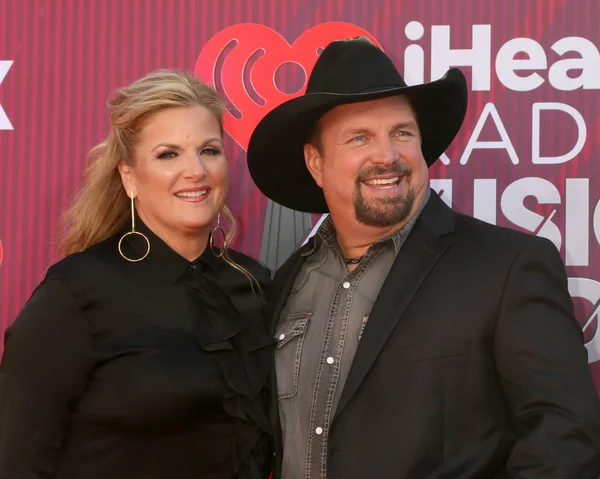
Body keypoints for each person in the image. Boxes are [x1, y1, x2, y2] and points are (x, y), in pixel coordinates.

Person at [246, 37, 600, 479]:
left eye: (402, 133)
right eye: (360, 137)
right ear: (315, 163)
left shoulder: (507, 267)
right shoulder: (287, 283)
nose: (387, 156)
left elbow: (565, 439)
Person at [0, 70, 273, 479]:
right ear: (129, 177)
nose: (196, 170)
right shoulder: (76, 294)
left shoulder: (254, 285)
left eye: (209, 150)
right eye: (168, 154)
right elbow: (15, 459)